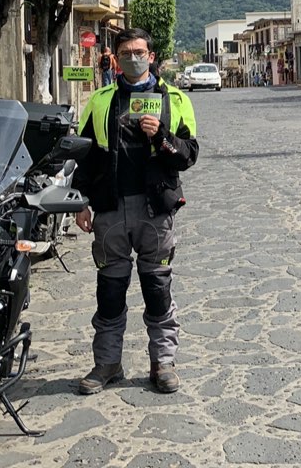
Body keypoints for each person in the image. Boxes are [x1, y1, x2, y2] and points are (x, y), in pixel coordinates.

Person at [73, 28, 199, 394]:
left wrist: (160, 136)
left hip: (154, 210)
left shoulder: (173, 99)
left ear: (152, 55)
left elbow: (189, 154)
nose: (133, 58)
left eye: (139, 51)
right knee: (109, 291)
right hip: (110, 211)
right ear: (115, 58)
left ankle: (162, 363)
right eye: (125, 52)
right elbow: (86, 156)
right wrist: (81, 200)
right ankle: (107, 363)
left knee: (157, 288)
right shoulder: (99, 101)